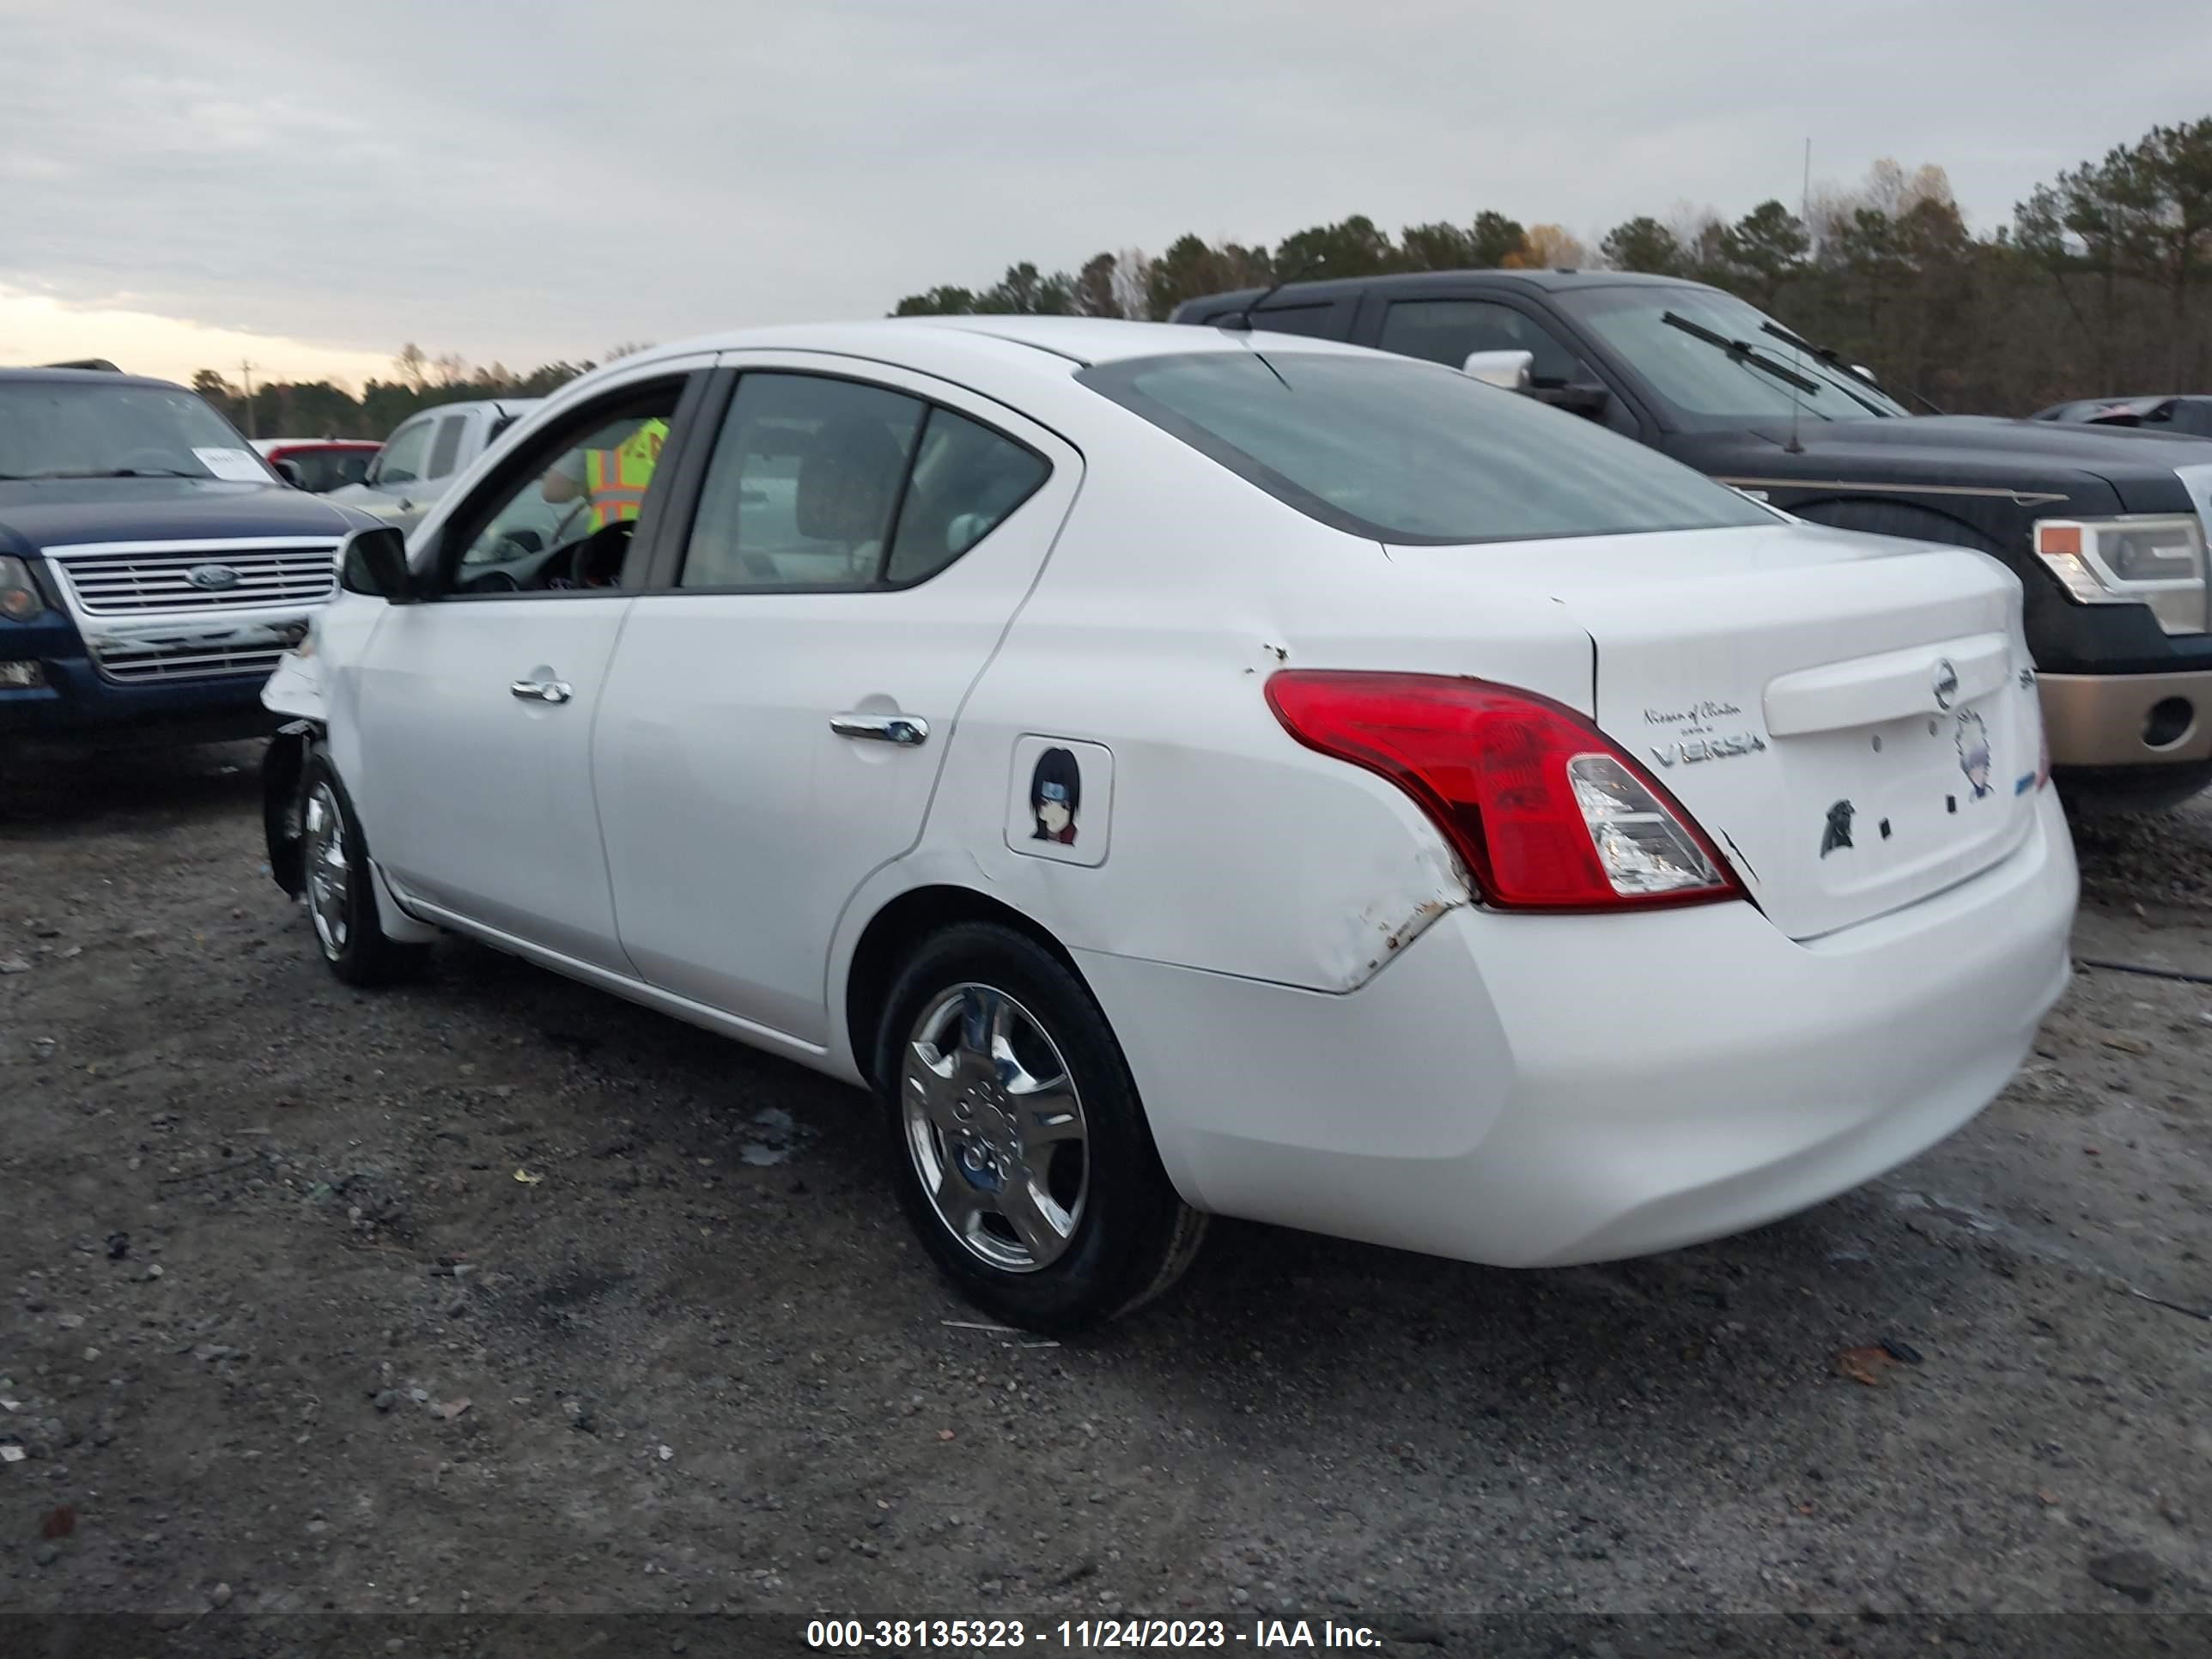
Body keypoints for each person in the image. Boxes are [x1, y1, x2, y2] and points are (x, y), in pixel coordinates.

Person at [542, 416, 668, 531]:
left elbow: (553, 492)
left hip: (611, 543)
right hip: (666, 544)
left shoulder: (595, 437)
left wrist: (586, 488)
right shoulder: (669, 435)